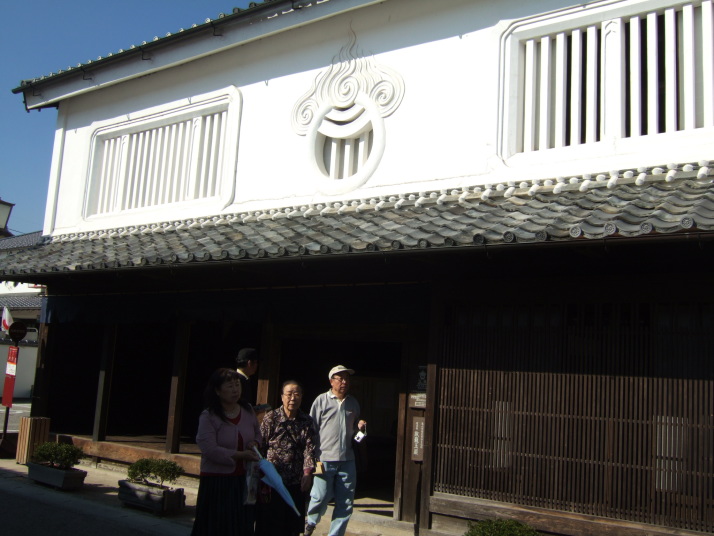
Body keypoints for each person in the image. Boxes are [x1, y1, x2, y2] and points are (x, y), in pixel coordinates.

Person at [191, 368, 262, 536]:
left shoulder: (247, 409)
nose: (235, 390)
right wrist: (240, 455)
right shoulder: (209, 416)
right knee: (218, 526)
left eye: (237, 385)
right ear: (217, 390)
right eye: (230, 386)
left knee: (241, 525)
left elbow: (258, 433)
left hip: (243, 480)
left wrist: (255, 443)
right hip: (218, 482)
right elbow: (210, 449)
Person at [304, 365, 367, 536]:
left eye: (347, 378)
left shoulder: (353, 403)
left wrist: (361, 429)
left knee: (345, 502)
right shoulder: (321, 400)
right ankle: (311, 522)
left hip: (347, 459)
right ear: (331, 381)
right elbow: (311, 429)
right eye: (340, 378)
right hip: (323, 458)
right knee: (320, 495)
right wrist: (311, 456)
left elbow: (357, 436)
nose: (344, 382)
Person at [256, 380, 317, 536]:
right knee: (269, 525)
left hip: (296, 481)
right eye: (289, 394)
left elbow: (309, 449)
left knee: (292, 526)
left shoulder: (307, 421)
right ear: (282, 396)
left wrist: (307, 473)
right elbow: (260, 446)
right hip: (272, 481)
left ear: (302, 396)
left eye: (297, 394)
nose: (293, 398)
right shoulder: (271, 418)